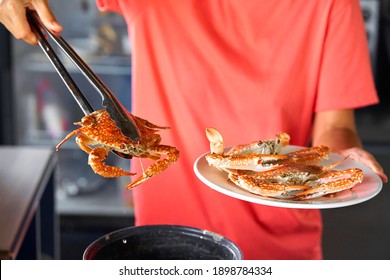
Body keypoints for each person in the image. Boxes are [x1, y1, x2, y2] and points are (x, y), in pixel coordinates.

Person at [1, 0, 387, 259]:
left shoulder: (332, 4)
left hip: (280, 243)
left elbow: (335, 126)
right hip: (165, 238)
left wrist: (343, 156)